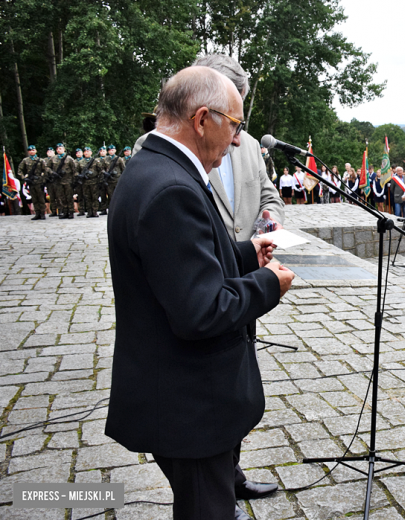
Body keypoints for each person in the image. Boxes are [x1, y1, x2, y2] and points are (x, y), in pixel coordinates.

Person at [105, 66, 295, 520]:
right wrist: (270, 283)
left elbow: (182, 261)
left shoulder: (155, 167)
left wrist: (246, 253)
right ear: (202, 119)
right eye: (235, 125)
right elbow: (202, 311)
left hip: (177, 392)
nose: (235, 141)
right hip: (189, 404)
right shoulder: (172, 187)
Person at [134, 54, 285, 240]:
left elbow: (270, 198)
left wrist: (265, 227)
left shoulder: (250, 145)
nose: (236, 137)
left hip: (249, 265)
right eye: (231, 117)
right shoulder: (156, 146)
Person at [46, 143, 78, 219]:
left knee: (69, 197)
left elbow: (74, 170)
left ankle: (71, 212)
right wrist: (52, 172)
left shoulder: (69, 158)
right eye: (57, 149)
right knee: (61, 197)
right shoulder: (53, 158)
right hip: (58, 181)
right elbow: (47, 167)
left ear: (64, 149)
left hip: (68, 181)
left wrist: (74, 181)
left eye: (60, 148)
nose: (58, 150)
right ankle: (65, 212)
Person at [17, 145, 48, 220]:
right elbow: (19, 170)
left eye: (33, 150)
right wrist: (24, 178)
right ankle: (37, 213)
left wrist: (43, 180)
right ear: (28, 152)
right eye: (30, 150)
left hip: (39, 182)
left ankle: (42, 213)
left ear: (36, 151)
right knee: (34, 198)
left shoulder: (40, 160)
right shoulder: (25, 160)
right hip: (31, 182)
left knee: (41, 198)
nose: (31, 151)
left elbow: (46, 170)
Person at [104, 144, 126, 213]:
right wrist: (105, 173)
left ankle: (119, 209)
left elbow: (123, 169)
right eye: (109, 150)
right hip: (109, 180)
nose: (111, 151)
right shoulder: (106, 159)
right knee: (110, 195)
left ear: (115, 150)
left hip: (117, 180)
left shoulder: (119, 159)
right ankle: (111, 210)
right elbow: (102, 168)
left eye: (112, 150)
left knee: (118, 195)